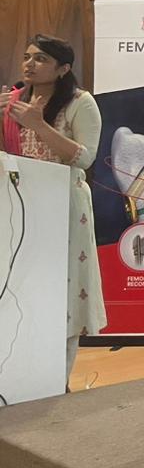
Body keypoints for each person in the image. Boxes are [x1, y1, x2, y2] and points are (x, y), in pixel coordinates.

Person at [0, 35, 108, 388]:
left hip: (65, 207)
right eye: (27, 57)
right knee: (22, 289)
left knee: (65, 292)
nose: (29, 64)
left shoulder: (80, 102)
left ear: (63, 69)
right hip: (20, 206)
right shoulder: (13, 101)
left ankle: (56, 381)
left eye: (41, 59)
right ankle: (21, 376)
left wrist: (39, 125)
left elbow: (84, 157)